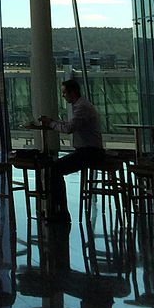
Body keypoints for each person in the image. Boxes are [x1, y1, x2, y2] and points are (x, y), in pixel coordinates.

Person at [32, 78, 104, 223]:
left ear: (72, 92)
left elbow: (68, 128)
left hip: (89, 152)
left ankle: (60, 212)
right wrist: (54, 122)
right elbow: (71, 125)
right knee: (55, 168)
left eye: (64, 92)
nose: (63, 95)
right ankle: (58, 210)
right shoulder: (81, 106)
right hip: (89, 151)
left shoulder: (81, 107)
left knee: (55, 169)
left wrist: (51, 123)